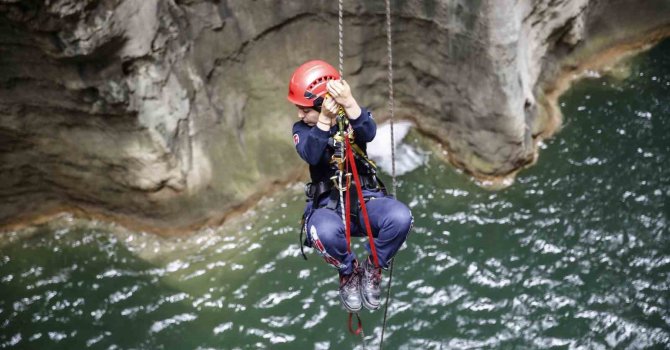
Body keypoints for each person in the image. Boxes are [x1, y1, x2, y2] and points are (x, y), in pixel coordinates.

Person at [287, 60, 413, 312]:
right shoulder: (302, 129)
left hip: (365, 199)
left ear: (323, 103)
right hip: (329, 207)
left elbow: (368, 132)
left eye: (304, 109)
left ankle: (373, 266)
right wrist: (322, 120)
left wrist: (349, 102)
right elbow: (311, 154)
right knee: (321, 232)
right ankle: (348, 271)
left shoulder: (352, 118)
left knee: (401, 218)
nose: (300, 115)